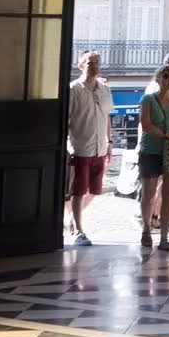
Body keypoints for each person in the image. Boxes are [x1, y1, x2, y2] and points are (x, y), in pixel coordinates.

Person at [137, 63, 169, 253]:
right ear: (157, 79)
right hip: (151, 150)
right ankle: (146, 229)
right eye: (165, 75)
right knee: (149, 193)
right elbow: (146, 125)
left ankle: (165, 238)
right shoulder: (148, 100)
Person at [67, 51, 112, 247]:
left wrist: (109, 143)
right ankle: (78, 230)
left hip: (100, 147)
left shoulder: (105, 89)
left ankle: (71, 218)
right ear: (81, 66)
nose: (94, 67)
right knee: (78, 191)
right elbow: (67, 118)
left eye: (97, 63)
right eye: (90, 63)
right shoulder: (74, 89)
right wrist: (68, 145)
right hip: (81, 147)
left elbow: (107, 117)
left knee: (94, 190)